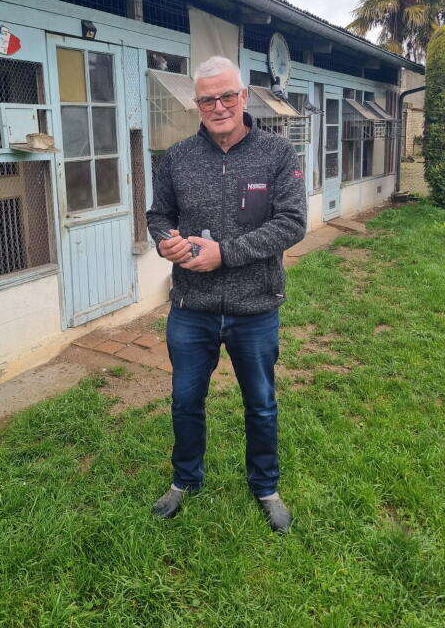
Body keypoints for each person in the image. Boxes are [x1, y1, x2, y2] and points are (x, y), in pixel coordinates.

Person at [146, 56, 307, 533]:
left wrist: (227, 254)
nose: (218, 106)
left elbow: (292, 223)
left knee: (260, 402)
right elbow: (159, 215)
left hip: (255, 307)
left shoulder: (277, 154)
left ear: (243, 97)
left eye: (227, 96)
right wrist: (166, 239)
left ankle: (265, 485)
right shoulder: (176, 158)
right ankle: (184, 480)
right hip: (191, 309)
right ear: (197, 103)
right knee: (185, 400)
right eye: (207, 99)